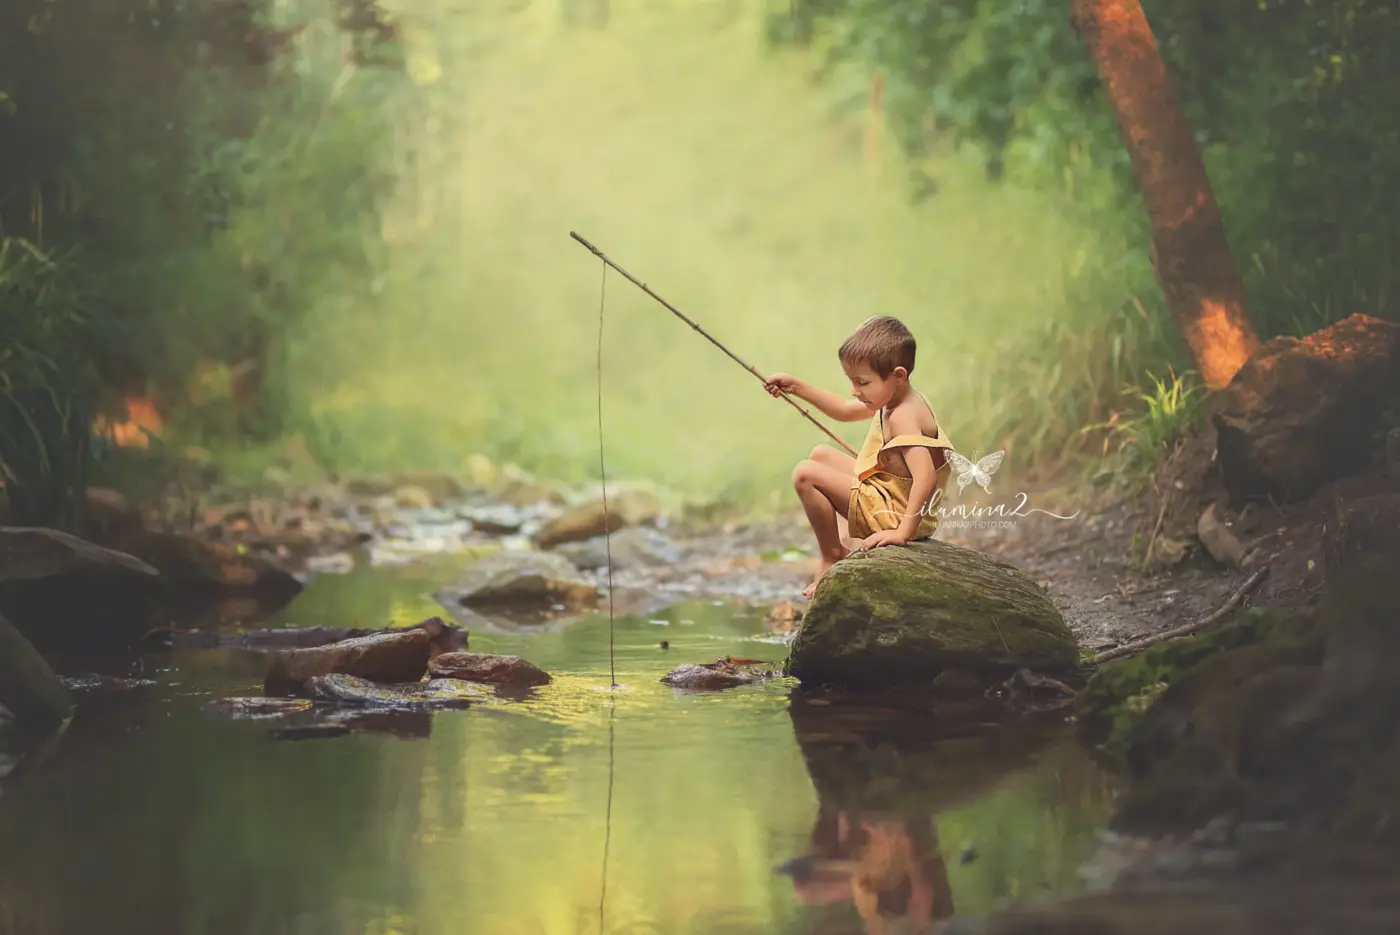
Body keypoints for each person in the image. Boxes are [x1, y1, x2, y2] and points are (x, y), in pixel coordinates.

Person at [765, 316, 955, 598]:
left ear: (898, 375)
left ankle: (832, 556)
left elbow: (925, 477)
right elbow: (843, 409)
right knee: (821, 455)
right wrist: (797, 388)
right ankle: (840, 545)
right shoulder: (893, 397)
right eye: (852, 381)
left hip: (894, 515)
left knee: (805, 474)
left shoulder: (904, 416)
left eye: (862, 382)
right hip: (891, 497)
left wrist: (903, 532)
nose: (855, 391)